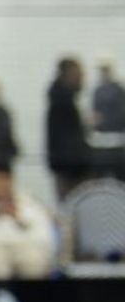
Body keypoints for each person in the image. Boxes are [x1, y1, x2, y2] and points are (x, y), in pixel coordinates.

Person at [45, 56, 92, 199]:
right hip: (71, 167)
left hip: (66, 165)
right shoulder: (63, 104)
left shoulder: (61, 101)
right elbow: (68, 139)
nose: (82, 79)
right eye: (79, 75)